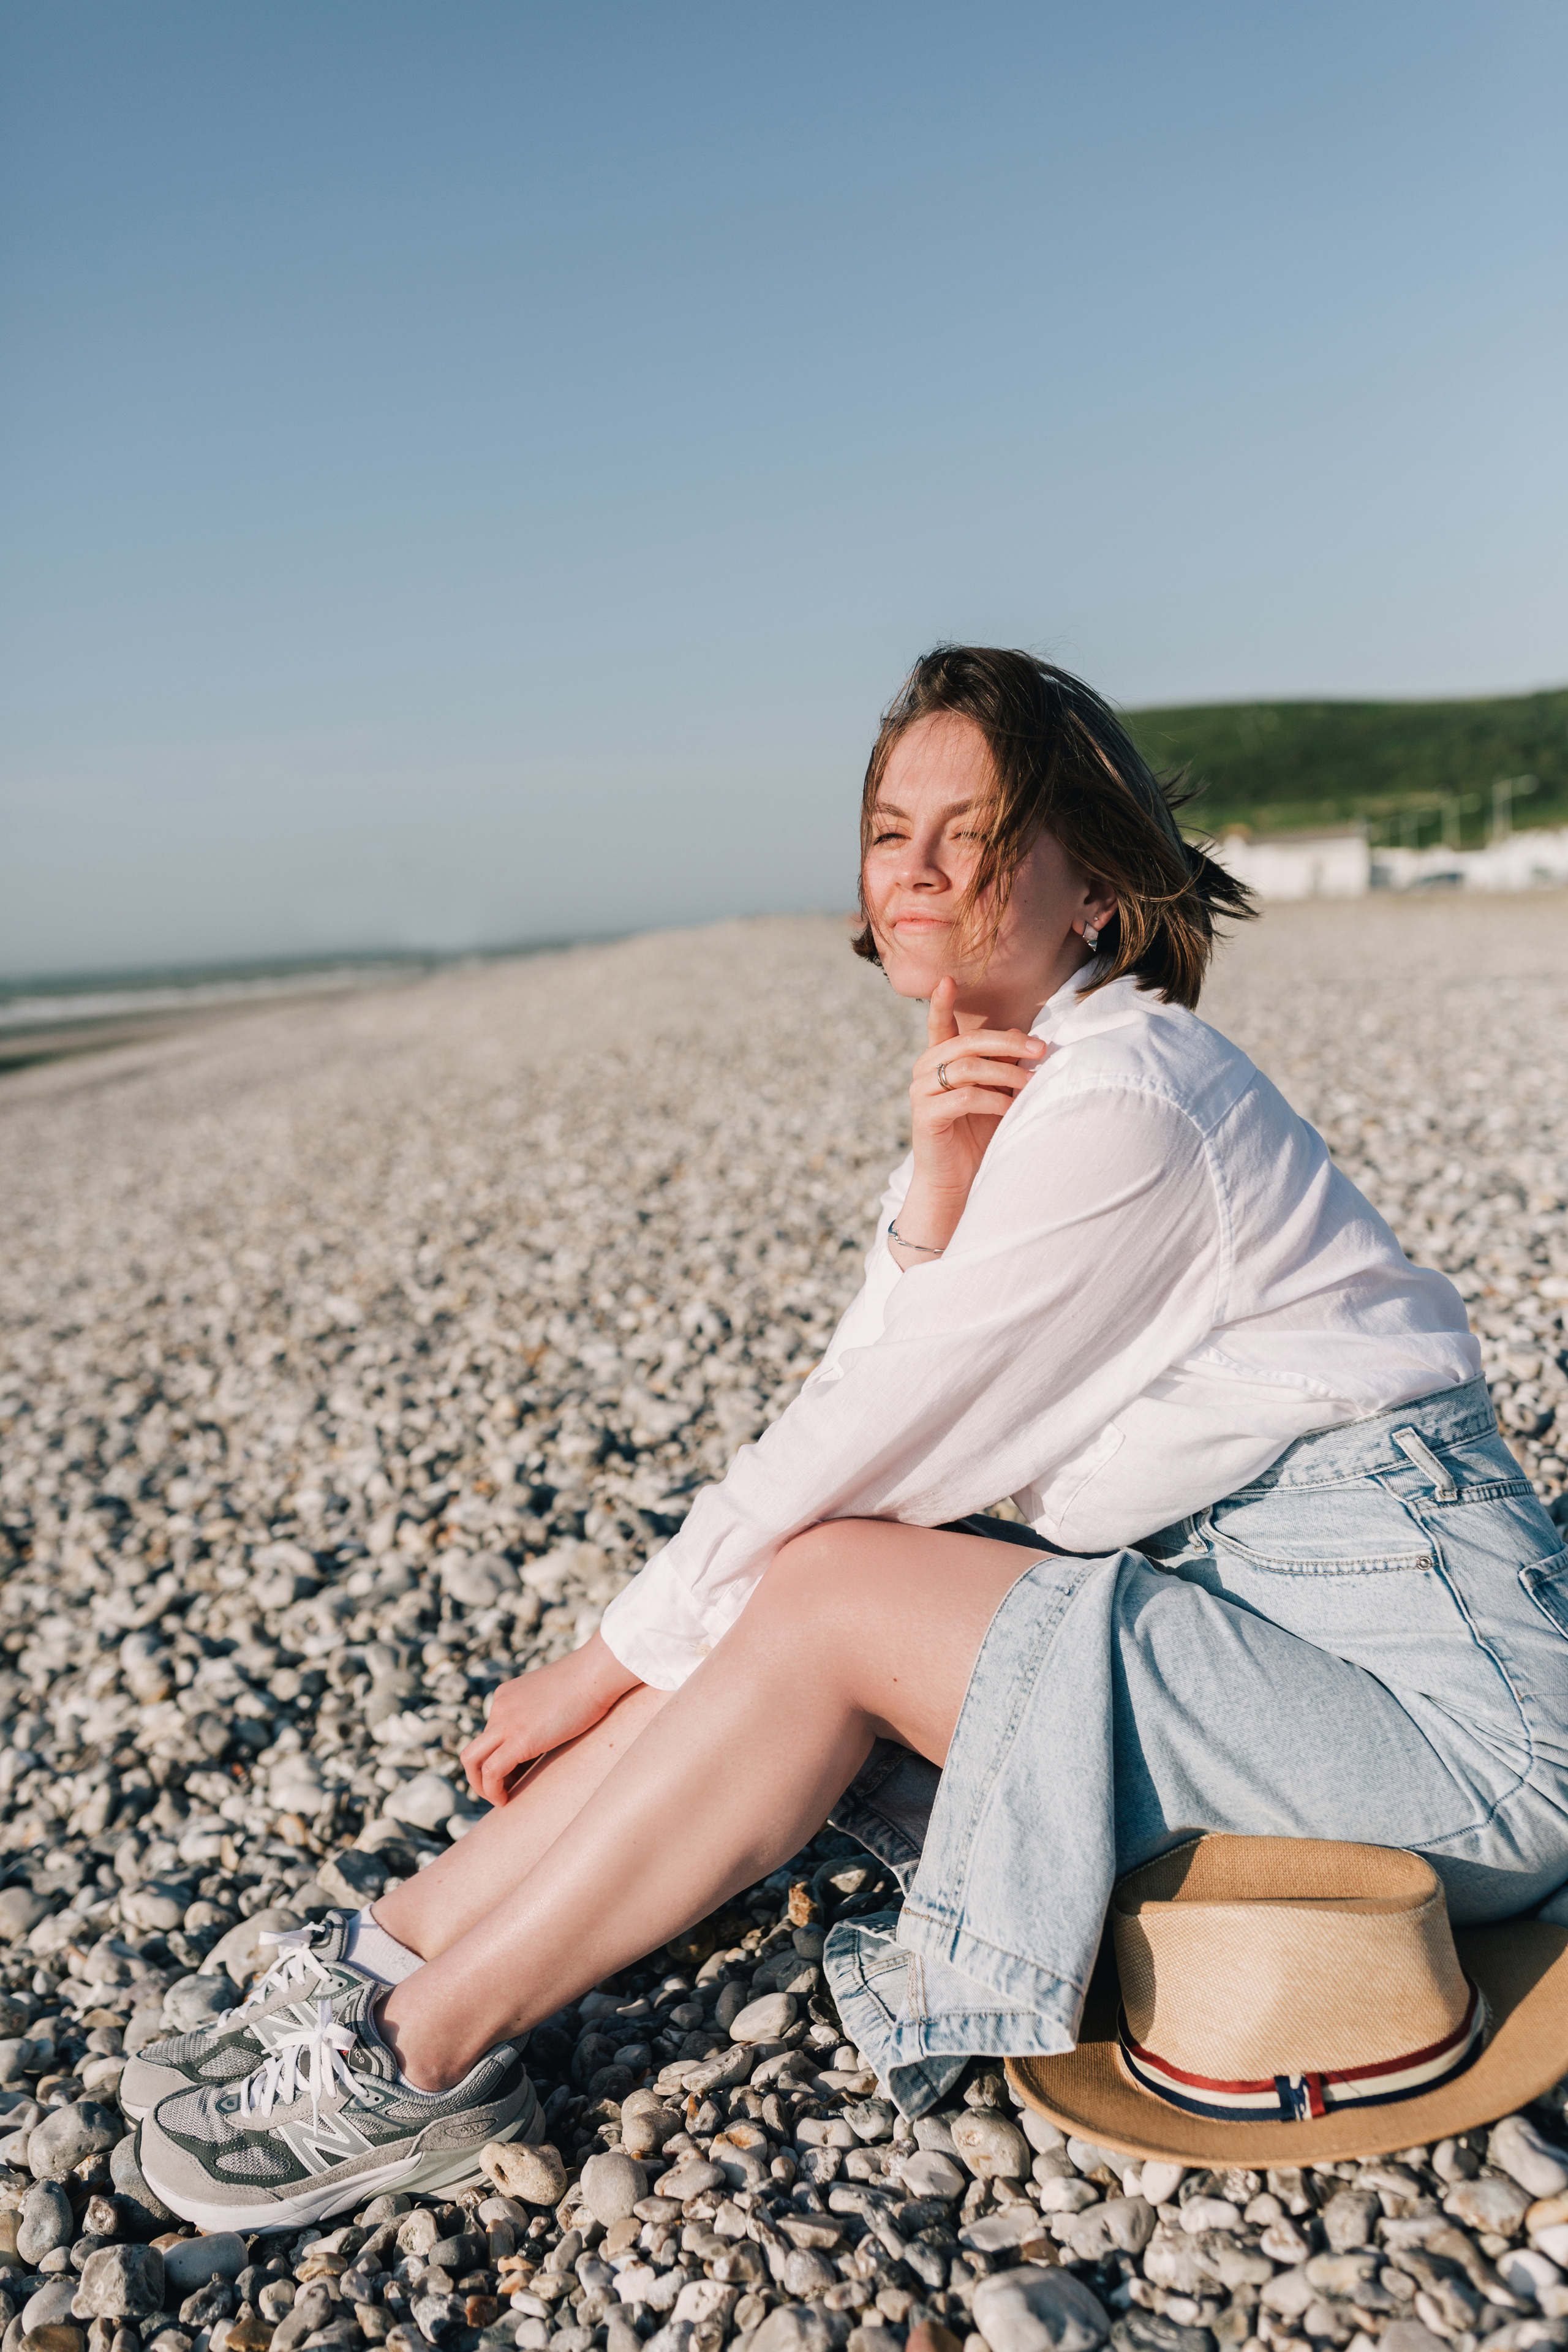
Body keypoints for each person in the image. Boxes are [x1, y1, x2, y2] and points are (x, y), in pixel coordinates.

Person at [135, 646, 1568, 2225]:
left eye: (980, 830)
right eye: (894, 828)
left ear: (1094, 881)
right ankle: (380, 1952)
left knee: (822, 1587)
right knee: (821, 1576)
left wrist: (606, 1657)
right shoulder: (1037, 1083)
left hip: (1462, 1747)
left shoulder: (1132, 1103)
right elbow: (875, 1406)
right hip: (1286, 1642)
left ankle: (419, 2056)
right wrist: (935, 1195)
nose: (921, 870)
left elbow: (869, 1445)